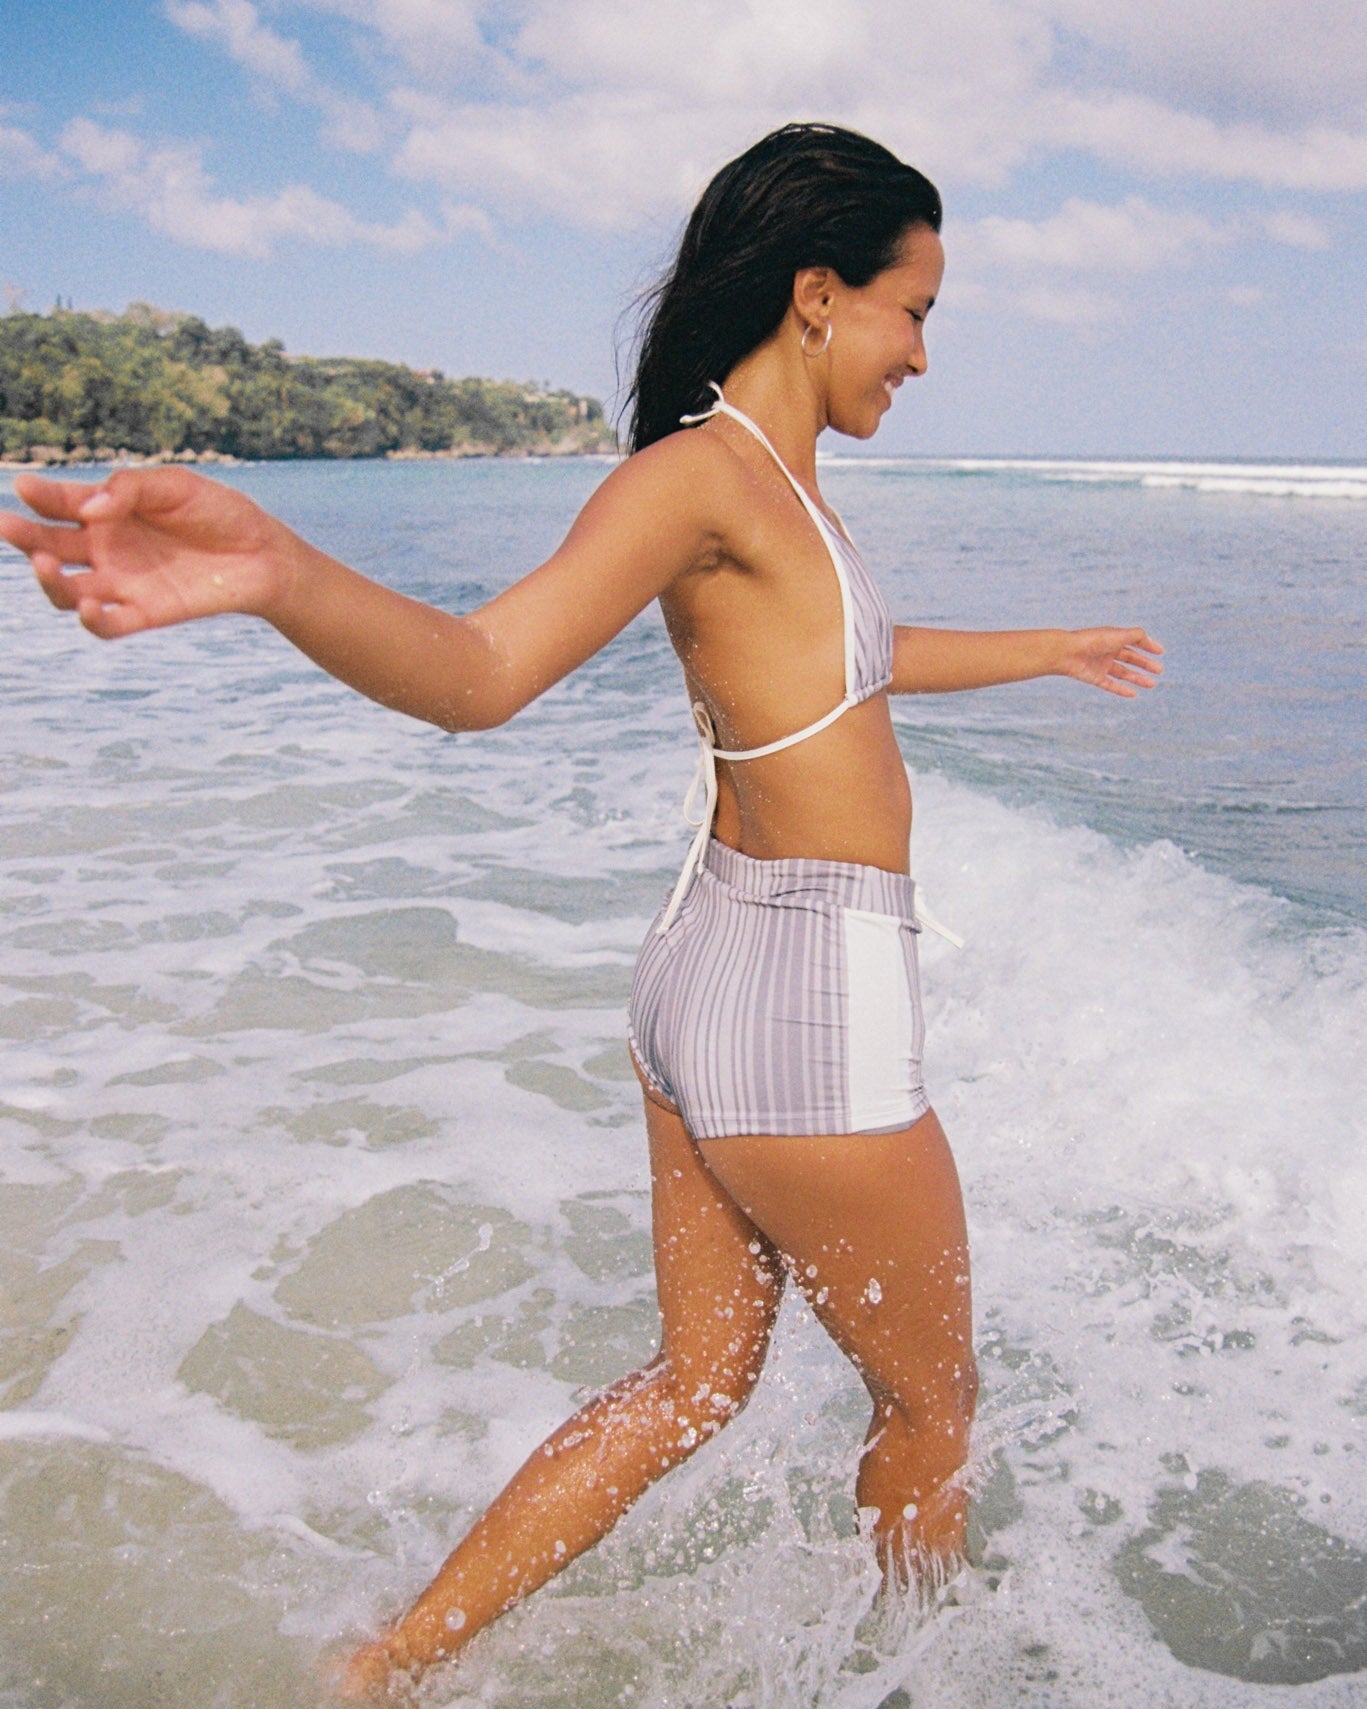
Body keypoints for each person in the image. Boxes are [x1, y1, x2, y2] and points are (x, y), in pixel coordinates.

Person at [0, 122, 1162, 1698]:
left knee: (698, 1381)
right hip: (809, 992)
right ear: (818, 295)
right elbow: (483, 673)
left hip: (710, 974)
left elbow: (852, 665)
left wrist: (1047, 647)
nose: (925, 354)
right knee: (935, 1409)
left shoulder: (767, 491)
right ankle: (929, 1676)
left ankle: (382, 1663)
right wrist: (280, 569)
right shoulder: (703, 477)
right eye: (917, 311)